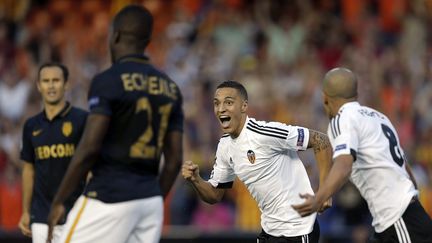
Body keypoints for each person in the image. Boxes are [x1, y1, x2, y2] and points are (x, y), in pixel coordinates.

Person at [46, 5, 184, 243]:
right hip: (150, 201)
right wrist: (151, 199)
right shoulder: (170, 88)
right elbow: (173, 161)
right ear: (147, 40)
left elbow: (89, 148)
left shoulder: (108, 81)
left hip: (109, 196)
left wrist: (59, 200)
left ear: (116, 35)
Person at [292, 67, 432, 242]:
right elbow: (406, 170)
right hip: (400, 219)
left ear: (325, 98)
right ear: (355, 94)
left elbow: (344, 164)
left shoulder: (342, 119)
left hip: (399, 220)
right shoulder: (379, 117)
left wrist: (318, 199)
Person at [182, 80, 333, 243]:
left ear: (244, 106)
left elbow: (321, 140)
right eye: (216, 103)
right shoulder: (225, 146)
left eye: (229, 103)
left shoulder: (264, 133)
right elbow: (214, 195)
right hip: (270, 231)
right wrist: (196, 180)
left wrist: (325, 190)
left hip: (297, 229)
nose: (221, 109)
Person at [18, 63, 88, 243]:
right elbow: (28, 170)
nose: (50, 85)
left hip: (75, 214)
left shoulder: (82, 120)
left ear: (66, 84)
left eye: (56, 80)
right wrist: (26, 211)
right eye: (46, 81)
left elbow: (91, 168)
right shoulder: (31, 126)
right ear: (38, 86)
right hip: (41, 216)